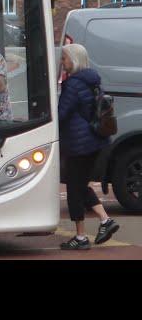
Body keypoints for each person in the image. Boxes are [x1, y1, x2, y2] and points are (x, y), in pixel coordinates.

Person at [58, 43, 119, 250]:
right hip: (96, 141)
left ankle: (81, 237)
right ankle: (105, 220)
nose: (62, 62)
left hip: (79, 144)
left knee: (74, 190)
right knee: (80, 185)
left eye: (64, 58)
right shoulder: (93, 81)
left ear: (73, 60)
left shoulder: (73, 85)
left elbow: (61, 114)